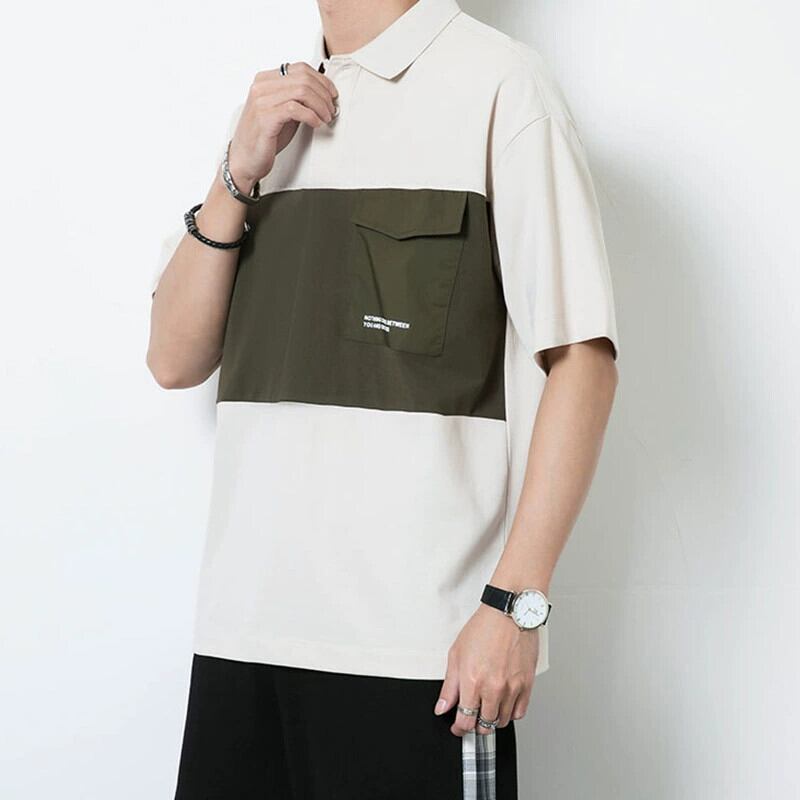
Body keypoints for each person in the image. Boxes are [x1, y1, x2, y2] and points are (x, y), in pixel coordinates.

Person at [147, 0, 619, 797]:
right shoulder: (270, 113)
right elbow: (172, 358)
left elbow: (583, 360)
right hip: (243, 641)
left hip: (420, 661)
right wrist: (236, 173)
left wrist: (515, 606)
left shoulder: (503, 86)